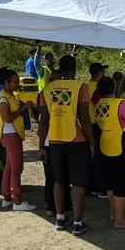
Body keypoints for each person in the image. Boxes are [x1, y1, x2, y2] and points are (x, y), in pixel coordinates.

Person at [38, 55, 94, 235]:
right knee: (78, 183)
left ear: (59, 69)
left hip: (54, 141)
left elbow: (43, 122)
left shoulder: (47, 89)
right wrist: (92, 142)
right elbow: (85, 119)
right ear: (74, 69)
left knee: (59, 180)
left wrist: (41, 145)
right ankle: (78, 223)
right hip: (76, 141)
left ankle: (60, 219)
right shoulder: (80, 88)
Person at [95, 77, 125, 229]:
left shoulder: (99, 105)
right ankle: (120, 221)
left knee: (110, 181)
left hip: (106, 144)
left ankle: (115, 213)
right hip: (122, 144)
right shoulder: (120, 104)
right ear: (114, 88)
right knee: (122, 181)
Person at [0, 67, 36, 211]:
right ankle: (17, 201)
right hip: (10, 134)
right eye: (15, 82)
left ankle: (7, 197)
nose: (18, 84)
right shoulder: (3, 98)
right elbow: (8, 118)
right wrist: (23, 108)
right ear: (7, 82)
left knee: (10, 167)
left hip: (12, 134)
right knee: (17, 169)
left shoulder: (10, 95)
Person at [40, 70, 68, 216]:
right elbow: (42, 122)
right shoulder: (49, 94)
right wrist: (40, 146)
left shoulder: (49, 94)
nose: (53, 81)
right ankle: (52, 206)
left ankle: (61, 205)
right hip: (51, 141)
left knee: (60, 175)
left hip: (62, 140)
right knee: (52, 176)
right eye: (51, 79)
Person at [87, 62, 109, 197]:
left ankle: (90, 185)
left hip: (86, 124)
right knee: (99, 157)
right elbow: (101, 104)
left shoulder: (85, 86)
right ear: (100, 73)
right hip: (96, 125)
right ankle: (99, 187)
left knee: (91, 156)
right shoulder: (97, 88)